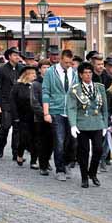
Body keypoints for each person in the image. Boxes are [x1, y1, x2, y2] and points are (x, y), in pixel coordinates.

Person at [68, 62, 109, 188]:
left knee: (98, 149)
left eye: (90, 72)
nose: (88, 75)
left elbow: (105, 108)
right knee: (83, 151)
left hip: (97, 123)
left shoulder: (100, 87)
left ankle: (92, 172)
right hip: (82, 124)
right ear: (80, 75)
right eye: (85, 73)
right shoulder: (75, 89)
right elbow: (72, 108)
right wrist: (73, 125)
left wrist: (105, 124)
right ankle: (84, 177)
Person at [42, 49, 77, 181]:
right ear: (61, 59)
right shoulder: (51, 72)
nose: (69, 65)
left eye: (70, 62)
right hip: (56, 111)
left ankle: (67, 162)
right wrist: (46, 112)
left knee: (72, 141)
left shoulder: (73, 73)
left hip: (71, 112)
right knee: (59, 141)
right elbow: (45, 92)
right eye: (66, 62)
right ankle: (60, 169)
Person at [0, 47, 24, 159]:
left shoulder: (22, 68)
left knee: (17, 130)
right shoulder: (1, 70)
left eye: (18, 55)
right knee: (5, 127)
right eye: (15, 55)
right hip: (6, 103)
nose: (17, 57)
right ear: (9, 56)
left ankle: (15, 153)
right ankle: (1, 147)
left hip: (18, 104)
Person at [10, 65, 39, 167]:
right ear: (26, 75)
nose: (34, 76)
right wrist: (15, 116)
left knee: (35, 138)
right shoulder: (18, 86)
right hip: (22, 116)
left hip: (35, 117)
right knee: (24, 138)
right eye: (32, 74)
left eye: (35, 74)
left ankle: (34, 161)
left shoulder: (37, 86)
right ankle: (19, 154)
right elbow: (13, 102)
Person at [99, 56, 112, 171]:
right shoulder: (104, 77)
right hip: (105, 109)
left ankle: (105, 158)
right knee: (105, 136)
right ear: (106, 65)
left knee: (109, 135)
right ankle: (102, 159)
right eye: (111, 65)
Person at [34, 59, 53, 175]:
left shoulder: (52, 82)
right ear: (40, 69)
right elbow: (34, 102)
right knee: (42, 142)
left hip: (52, 115)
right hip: (40, 118)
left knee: (51, 142)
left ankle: (47, 161)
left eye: (48, 67)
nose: (46, 70)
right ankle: (43, 165)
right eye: (44, 67)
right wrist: (44, 113)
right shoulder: (36, 84)